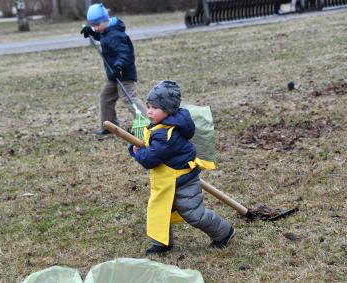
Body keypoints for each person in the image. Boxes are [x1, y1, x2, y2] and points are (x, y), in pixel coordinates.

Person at [128, 80, 235, 255]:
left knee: (194, 214)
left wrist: (137, 152)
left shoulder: (166, 134)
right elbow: (148, 144)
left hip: (182, 182)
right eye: (148, 106)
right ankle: (162, 243)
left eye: (155, 107)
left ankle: (224, 232)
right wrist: (136, 146)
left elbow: (149, 159)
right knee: (159, 210)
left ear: (168, 110)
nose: (149, 111)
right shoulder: (160, 125)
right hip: (166, 182)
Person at [80, 3, 146, 135]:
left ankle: (147, 124)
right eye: (93, 26)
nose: (96, 28)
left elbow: (125, 54)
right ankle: (109, 125)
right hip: (114, 74)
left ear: (105, 21)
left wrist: (119, 66)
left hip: (123, 73)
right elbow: (105, 39)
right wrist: (92, 33)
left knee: (129, 98)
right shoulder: (106, 31)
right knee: (106, 97)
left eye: (96, 25)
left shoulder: (116, 34)